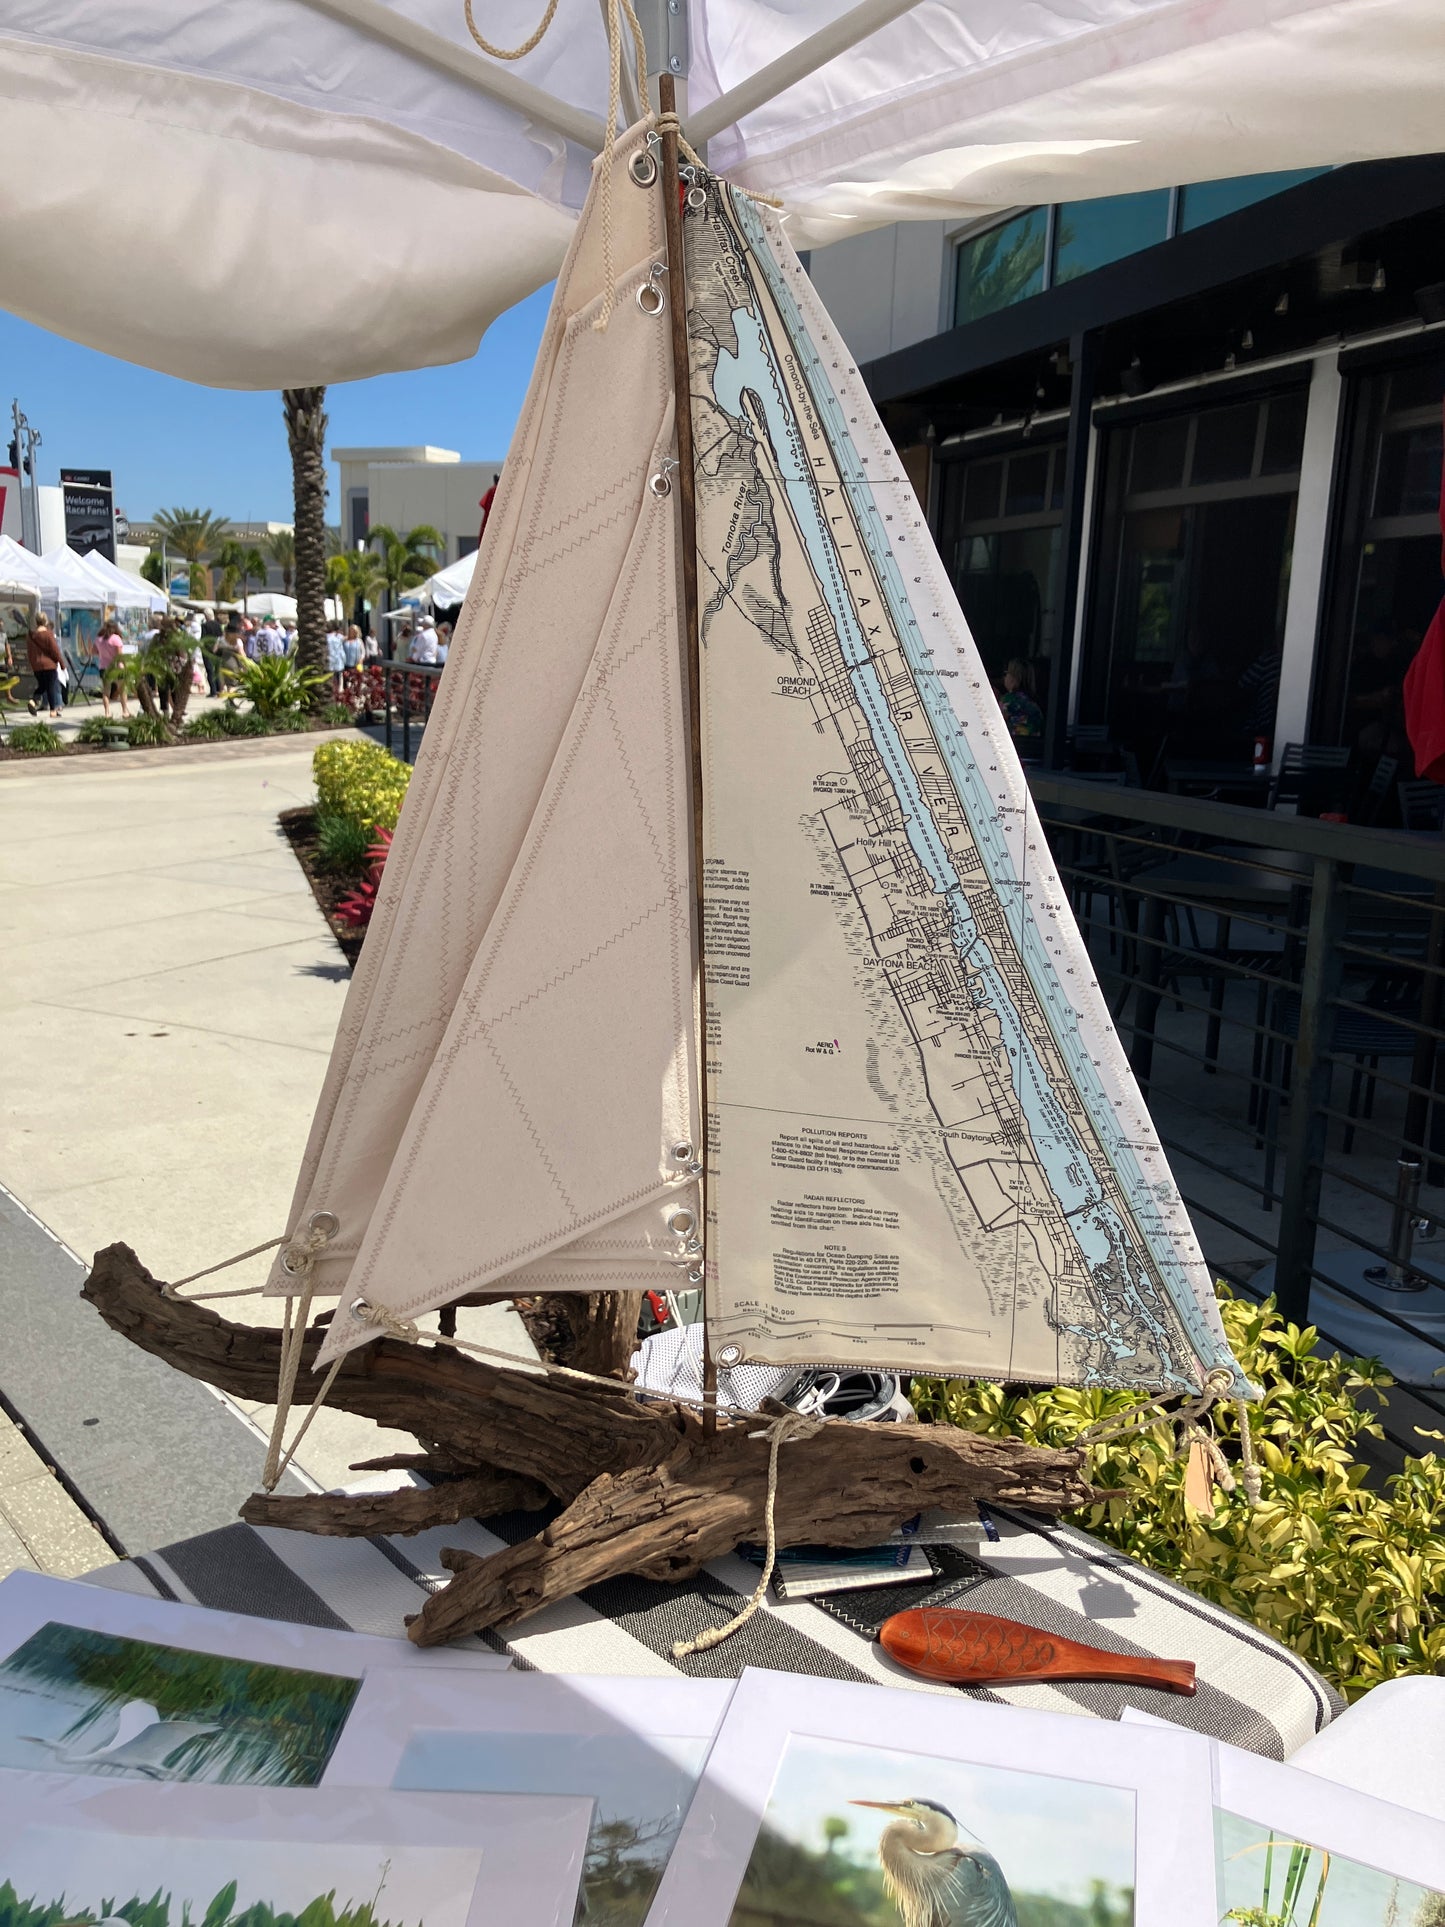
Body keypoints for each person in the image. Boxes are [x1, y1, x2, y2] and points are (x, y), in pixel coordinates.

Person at [997, 658, 1043, 749]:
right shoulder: (1035, 702)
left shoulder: (1008, 700)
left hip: (1013, 749)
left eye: (1006, 674)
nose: (1004, 677)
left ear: (1014, 678)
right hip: (1034, 751)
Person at [26, 615, 64, 719]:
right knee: (50, 687)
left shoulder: (31, 636)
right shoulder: (48, 634)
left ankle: (33, 700)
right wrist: (62, 664)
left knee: (42, 686)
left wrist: (32, 664)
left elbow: (30, 652)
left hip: (37, 666)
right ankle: (53, 711)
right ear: (45, 621)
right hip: (49, 665)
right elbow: (55, 650)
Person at [95, 620, 130, 720]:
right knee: (122, 690)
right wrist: (125, 665)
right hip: (117, 668)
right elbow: (119, 655)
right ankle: (124, 711)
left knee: (106, 691)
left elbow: (94, 651)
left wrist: (103, 654)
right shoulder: (116, 638)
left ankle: (107, 712)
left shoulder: (99, 639)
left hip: (104, 667)